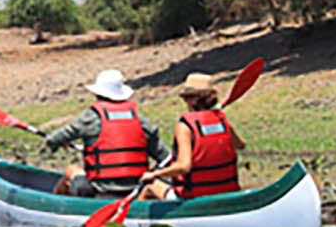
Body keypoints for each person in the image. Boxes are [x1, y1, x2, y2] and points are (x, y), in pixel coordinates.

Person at [43, 69, 165, 197]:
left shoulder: (89, 118)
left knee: (71, 170)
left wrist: (61, 142)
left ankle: (56, 204)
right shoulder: (141, 121)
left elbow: (52, 140)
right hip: (136, 189)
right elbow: (165, 157)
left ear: (97, 95)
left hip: (100, 190)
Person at [135, 72, 242, 200]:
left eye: (186, 97)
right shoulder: (221, 120)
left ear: (192, 99)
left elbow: (183, 166)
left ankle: (133, 213)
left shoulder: (185, 126)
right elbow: (240, 145)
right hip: (227, 190)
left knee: (150, 186)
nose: (185, 101)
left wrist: (155, 174)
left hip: (193, 195)